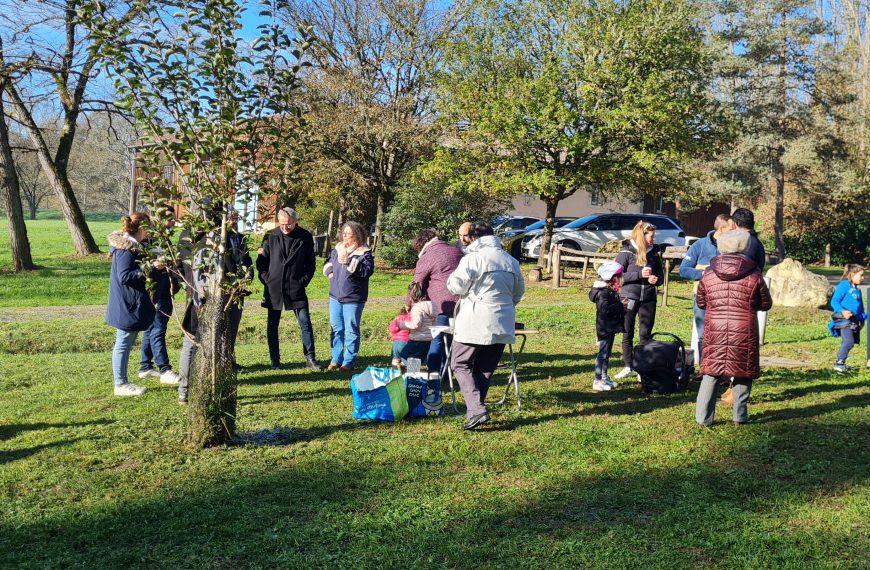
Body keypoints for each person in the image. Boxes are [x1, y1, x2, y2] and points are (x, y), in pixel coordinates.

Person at [447, 221, 525, 430]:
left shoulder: (472, 259)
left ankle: (477, 409)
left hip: (475, 320)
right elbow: (518, 293)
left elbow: (456, 286)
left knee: (460, 363)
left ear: (473, 238)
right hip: (503, 321)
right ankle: (475, 411)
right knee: (484, 368)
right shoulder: (511, 261)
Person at [695, 230, 773, 427]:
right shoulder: (754, 274)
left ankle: (703, 418)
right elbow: (765, 304)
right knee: (743, 371)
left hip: (715, 327)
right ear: (745, 247)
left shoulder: (708, 273)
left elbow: (701, 302)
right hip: (744, 328)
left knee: (711, 370)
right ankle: (740, 416)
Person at [257, 207, 320, 371]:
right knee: (272, 325)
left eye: (289, 224)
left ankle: (310, 358)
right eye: (282, 224)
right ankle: (275, 360)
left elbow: (310, 265)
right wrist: (267, 280)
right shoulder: (270, 236)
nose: (285, 227)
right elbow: (261, 262)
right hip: (274, 289)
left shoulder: (305, 237)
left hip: (296, 289)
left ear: (295, 221)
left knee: (305, 323)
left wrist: (302, 282)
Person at [106, 212, 158, 397]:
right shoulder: (126, 250)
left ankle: (122, 381)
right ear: (142, 229)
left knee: (125, 341)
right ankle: (120, 384)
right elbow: (124, 276)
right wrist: (149, 267)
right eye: (149, 228)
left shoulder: (134, 246)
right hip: (127, 303)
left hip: (129, 302)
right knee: (123, 342)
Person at [613, 220, 664, 380]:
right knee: (627, 333)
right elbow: (615, 276)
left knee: (645, 335)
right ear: (642, 235)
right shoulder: (626, 253)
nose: (653, 239)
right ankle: (628, 366)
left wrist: (656, 280)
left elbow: (661, 276)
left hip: (649, 299)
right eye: (651, 236)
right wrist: (638, 275)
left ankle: (642, 367)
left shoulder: (654, 254)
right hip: (629, 297)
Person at [679, 214, 733, 361]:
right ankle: (704, 370)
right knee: (703, 335)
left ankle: (721, 372)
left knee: (722, 337)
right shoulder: (699, 245)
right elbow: (683, 270)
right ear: (721, 229)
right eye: (731, 228)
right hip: (702, 298)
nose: (734, 231)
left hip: (724, 299)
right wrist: (704, 273)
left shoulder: (732, 247)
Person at [323, 221, 375, 371]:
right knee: (336, 329)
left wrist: (350, 262)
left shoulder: (364, 253)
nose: (344, 236)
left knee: (351, 330)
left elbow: (367, 271)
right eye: (343, 233)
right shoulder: (337, 249)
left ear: (357, 236)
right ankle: (335, 360)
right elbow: (328, 263)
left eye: (347, 234)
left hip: (353, 299)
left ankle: (348, 362)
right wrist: (330, 273)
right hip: (335, 297)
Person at [411, 228, 464, 374]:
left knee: (437, 339)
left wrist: (408, 305)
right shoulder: (457, 251)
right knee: (452, 339)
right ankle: (447, 372)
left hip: (441, 305)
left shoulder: (428, 256)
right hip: (463, 304)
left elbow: (416, 283)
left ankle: (431, 374)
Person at [137, 217, 181, 385]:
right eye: (168, 218)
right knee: (158, 330)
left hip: (165, 290)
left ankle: (145, 366)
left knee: (151, 329)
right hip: (155, 293)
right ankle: (164, 369)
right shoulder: (146, 244)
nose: (172, 222)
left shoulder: (165, 241)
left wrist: (175, 283)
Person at [589, 261, 625, 392]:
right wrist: (621, 306)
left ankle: (604, 377)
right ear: (612, 278)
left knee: (607, 353)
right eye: (620, 276)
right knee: (602, 354)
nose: (622, 278)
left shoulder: (609, 291)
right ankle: (597, 380)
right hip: (605, 328)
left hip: (610, 327)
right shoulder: (603, 293)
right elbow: (605, 310)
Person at [225, 209, 253, 369]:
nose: (233, 222)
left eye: (235, 219)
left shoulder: (241, 238)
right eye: (230, 219)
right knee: (224, 325)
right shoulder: (221, 239)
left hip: (240, 288)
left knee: (234, 324)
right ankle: (222, 361)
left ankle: (230, 360)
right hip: (226, 288)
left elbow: (247, 259)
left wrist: (249, 272)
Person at [827, 264, 866, 373]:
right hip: (843, 320)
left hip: (853, 320)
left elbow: (860, 306)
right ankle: (839, 363)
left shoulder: (857, 289)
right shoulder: (844, 285)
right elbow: (834, 301)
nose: (863, 278)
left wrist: (862, 320)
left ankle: (841, 362)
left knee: (852, 341)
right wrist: (842, 311)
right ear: (852, 274)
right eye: (861, 275)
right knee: (849, 341)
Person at [395, 281, 436, 364]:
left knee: (406, 356)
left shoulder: (417, 307)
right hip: (430, 339)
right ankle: (424, 370)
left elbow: (416, 324)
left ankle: (413, 374)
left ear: (412, 296)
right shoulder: (433, 305)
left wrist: (401, 324)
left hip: (418, 339)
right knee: (421, 357)